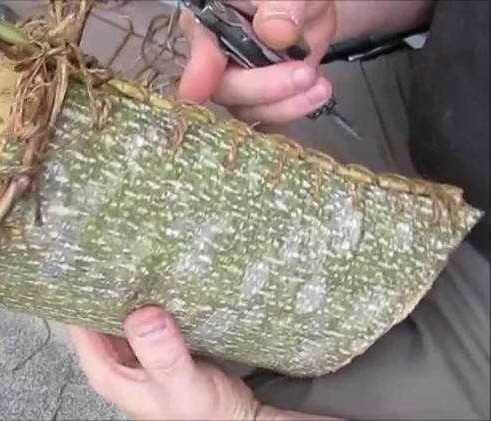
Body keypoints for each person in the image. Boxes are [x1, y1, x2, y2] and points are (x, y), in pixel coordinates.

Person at [66, 0, 490, 419]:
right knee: (135, 254)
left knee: (187, 389)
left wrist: (244, 416)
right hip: (416, 109)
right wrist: (316, 16)